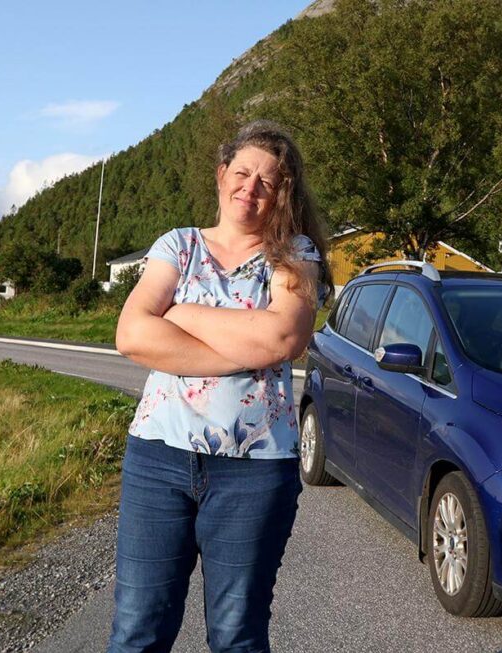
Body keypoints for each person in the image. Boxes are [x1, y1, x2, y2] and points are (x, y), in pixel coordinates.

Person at [109, 120, 333, 653]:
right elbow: (132, 334)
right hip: (158, 459)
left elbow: (283, 336)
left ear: (283, 194)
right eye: (242, 173)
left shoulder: (294, 254)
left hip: (255, 470)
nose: (250, 188)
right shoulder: (179, 245)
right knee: (137, 631)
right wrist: (245, 348)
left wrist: (181, 313)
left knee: (237, 635)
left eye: (267, 181)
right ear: (221, 176)